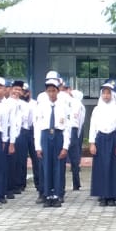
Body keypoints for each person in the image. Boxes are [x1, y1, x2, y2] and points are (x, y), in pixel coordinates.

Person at [33, 73, 77, 208]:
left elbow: (67, 128)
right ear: (46, 91)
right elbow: (37, 126)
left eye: (54, 90)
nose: (51, 93)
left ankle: (58, 195)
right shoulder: (41, 106)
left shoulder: (64, 106)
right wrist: (37, 146)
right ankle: (47, 194)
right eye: (49, 90)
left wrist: (65, 146)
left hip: (58, 136)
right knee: (46, 167)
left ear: (58, 91)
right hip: (45, 136)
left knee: (58, 167)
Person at [88, 80, 116, 207]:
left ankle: (112, 196)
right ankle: (102, 196)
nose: (106, 96)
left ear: (112, 95)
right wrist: (92, 143)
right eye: (104, 93)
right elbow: (92, 127)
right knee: (101, 168)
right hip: (100, 140)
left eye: (108, 93)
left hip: (113, 139)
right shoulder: (97, 109)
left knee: (113, 168)